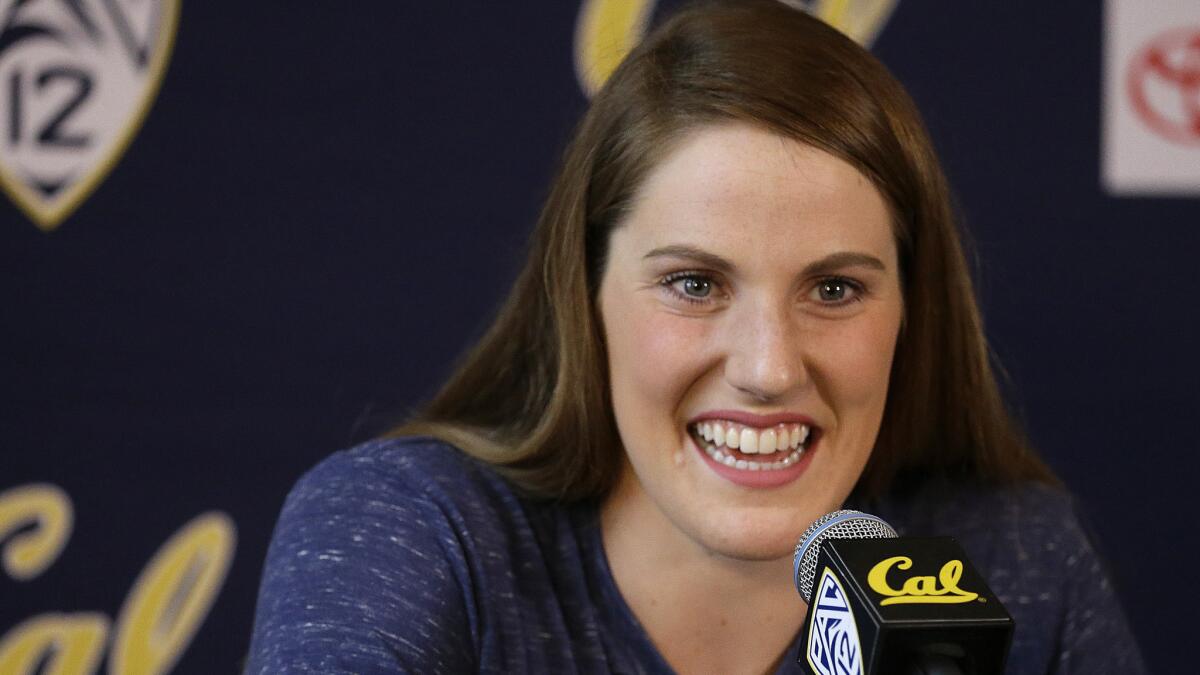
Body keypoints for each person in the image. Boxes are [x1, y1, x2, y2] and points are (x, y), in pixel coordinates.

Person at [246, 1, 1146, 672]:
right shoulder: (411, 528)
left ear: (911, 308)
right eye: (693, 284)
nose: (767, 367)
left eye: (834, 288)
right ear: (584, 295)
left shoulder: (1016, 560)